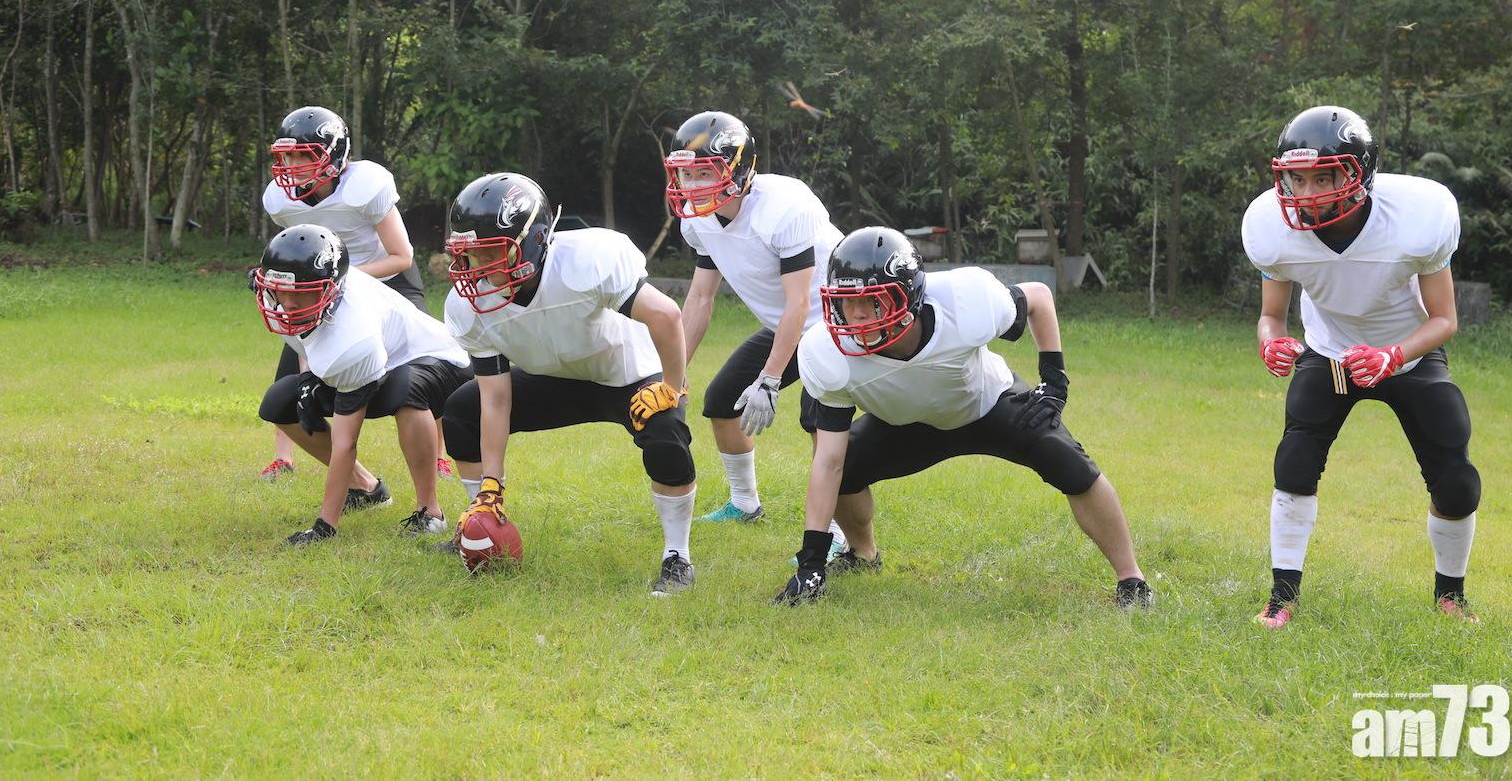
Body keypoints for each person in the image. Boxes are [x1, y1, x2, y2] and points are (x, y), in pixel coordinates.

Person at [773, 227, 1153, 610]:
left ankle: (1131, 579)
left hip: (986, 404)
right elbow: (829, 461)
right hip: (904, 423)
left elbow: (1038, 296)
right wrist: (811, 562)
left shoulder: (964, 302)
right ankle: (863, 553)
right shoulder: (827, 351)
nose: (856, 315)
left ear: (908, 295)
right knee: (846, 468)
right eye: (846, 301)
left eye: (872, 301)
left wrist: (1054, 381)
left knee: (1069, 462)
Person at [1242, 105, 1479, 627]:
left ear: (1359, 174)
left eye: (1323, 178)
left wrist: (1393, 355)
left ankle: (1451, 596)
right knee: (1294, 466)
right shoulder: (1270, 227)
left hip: (1407, 354)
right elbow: (1270, 317)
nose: (1306, 194)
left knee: (1457, 482)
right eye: (1297, 179)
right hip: (1330, 352)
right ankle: (1282, 596)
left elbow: (1445, 320)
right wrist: (1271, 342)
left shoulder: (1417, 216)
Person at [438, 173, 700, 596]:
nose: (477, 268)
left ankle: (678, 555)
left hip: (624, 374)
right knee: (461, 411)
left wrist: (671, 386)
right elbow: (495, 399)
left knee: (665, 429)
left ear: (534, 240)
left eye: (489, 252)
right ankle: (480, 520)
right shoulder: (467, 306)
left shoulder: (585, 260)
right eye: (469, 254)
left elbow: (666, 315)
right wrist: (491, 484)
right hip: (553, 379)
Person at [664, 111, 844, 550]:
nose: (692, 185)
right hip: (787, 323)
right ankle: (745, 503)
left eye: (704, 172)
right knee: (722, 401)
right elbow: (700, 297)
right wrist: (671, 375)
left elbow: (800, 303)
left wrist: (769, 379)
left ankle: (837, 535)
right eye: (686, 174)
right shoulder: (698, 219)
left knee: (820, 423)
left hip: (835, 323)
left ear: (740, 168)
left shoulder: (784, 206)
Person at [258, 105, 454, 483]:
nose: (292, 166)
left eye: (302, 155)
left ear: (333, 154)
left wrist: (338, 281)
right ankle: (288, 458)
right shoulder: (281, 200)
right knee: (291, 382)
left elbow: (401, 256)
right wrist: (313, 284)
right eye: (287, 156)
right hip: (321, 286)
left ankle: (439, 455)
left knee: (425, 361)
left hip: (387, 277)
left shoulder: (365, 186)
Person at [253, 224, 471, 544]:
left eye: (297, 293)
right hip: (380, 364)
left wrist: (325, 526)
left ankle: (430, 512)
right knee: (280, 401)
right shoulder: (291, 300)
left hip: (438, 361)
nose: (285, 302)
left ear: (330, 289)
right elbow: (306, 341)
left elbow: (345, 441)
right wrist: (308, 378)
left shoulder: (354, 336)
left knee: (406, 390)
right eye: (279, 290)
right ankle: (367, 488)